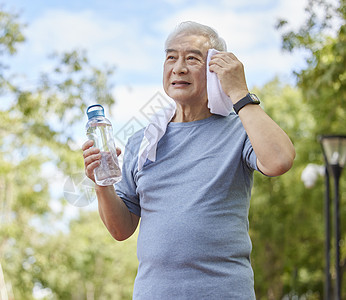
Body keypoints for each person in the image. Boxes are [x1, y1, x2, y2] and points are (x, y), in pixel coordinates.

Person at [82, 21, 295, 299]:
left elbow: (279, 160)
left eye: (192, 58)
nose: (178, 67)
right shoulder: (143, 141)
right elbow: (121, 229)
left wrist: (239, 93)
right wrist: (101, 182)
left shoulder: (240, 129)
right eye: (171, 57)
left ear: (215, 68)